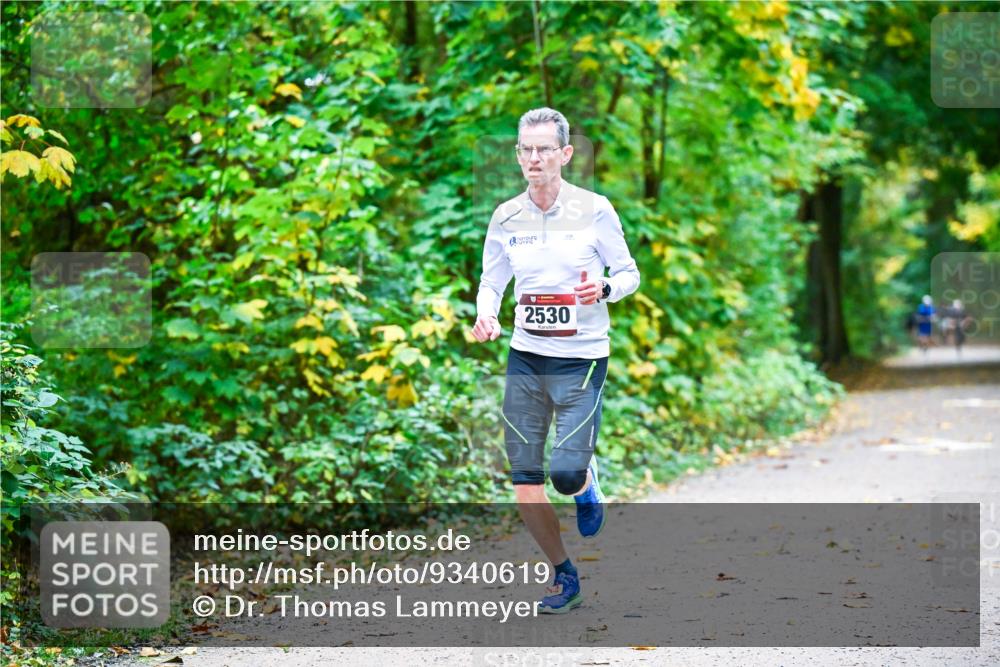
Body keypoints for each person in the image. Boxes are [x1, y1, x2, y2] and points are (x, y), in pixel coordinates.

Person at [469, 107, 640, 614]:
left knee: (564, 474)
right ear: (518, 154)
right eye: (526, 149)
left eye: (545, 148)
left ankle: (584, 483)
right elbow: (492, 281)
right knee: (525, 482)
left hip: (582, 358)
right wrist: (486, 317)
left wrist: (605, 288)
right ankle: (563, 575)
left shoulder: (595, 209)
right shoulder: (506, 216)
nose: (534, 157)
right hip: (525, 356)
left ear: (565, 154)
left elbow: (628, 273)